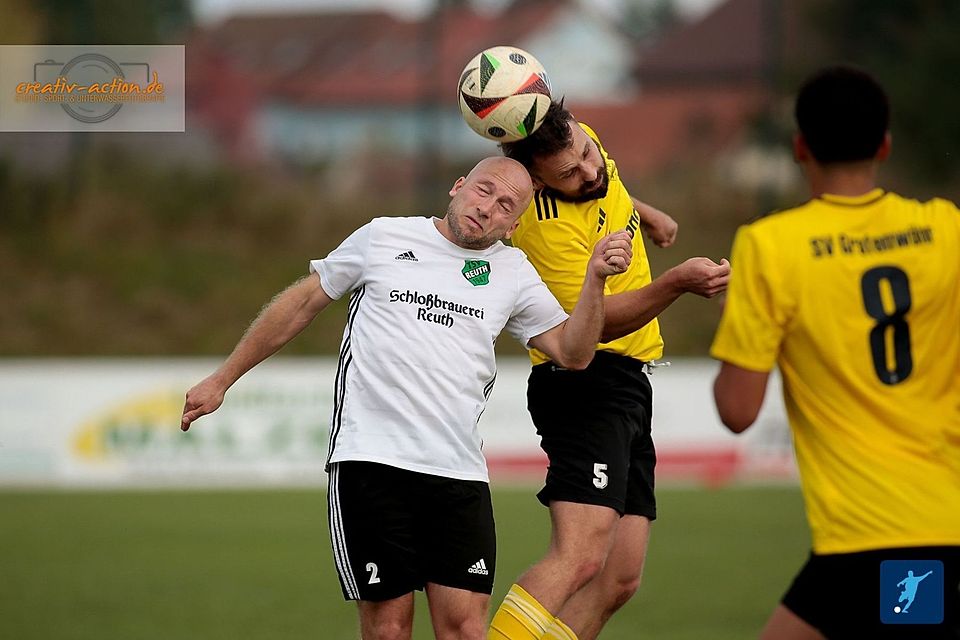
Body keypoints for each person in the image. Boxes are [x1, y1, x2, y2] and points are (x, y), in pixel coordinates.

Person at [180, 156, 634, 640]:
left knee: (464, 630)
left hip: (458, 474)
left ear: (513, 225)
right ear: (458, 187)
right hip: (371, 463)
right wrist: (223, 377)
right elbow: (303, 304)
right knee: (389, 631)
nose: (488, 208)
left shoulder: (513, 271)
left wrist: (595, 281)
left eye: (505, 206)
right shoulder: (383, 237)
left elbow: (573, 352)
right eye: (483, 190)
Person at [711, 65, 960, 639]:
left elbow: (737, 411)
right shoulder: (944, 228)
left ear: (800, 147)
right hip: (932, 518)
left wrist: (740, 329)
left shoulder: (770, 246)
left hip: (881, 536)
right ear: (884, 143)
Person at [487, 101, 731, 640]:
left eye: (587, 155)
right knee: (578, 558)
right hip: (583, 382)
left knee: (619, 578)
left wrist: (645, 212)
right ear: (536, 180)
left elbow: (606, 185)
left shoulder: (579, 142)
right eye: (569, 175)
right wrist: (675, 283)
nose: (589, 171)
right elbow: (591, 328)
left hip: (628, 382)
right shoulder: (543, 230)